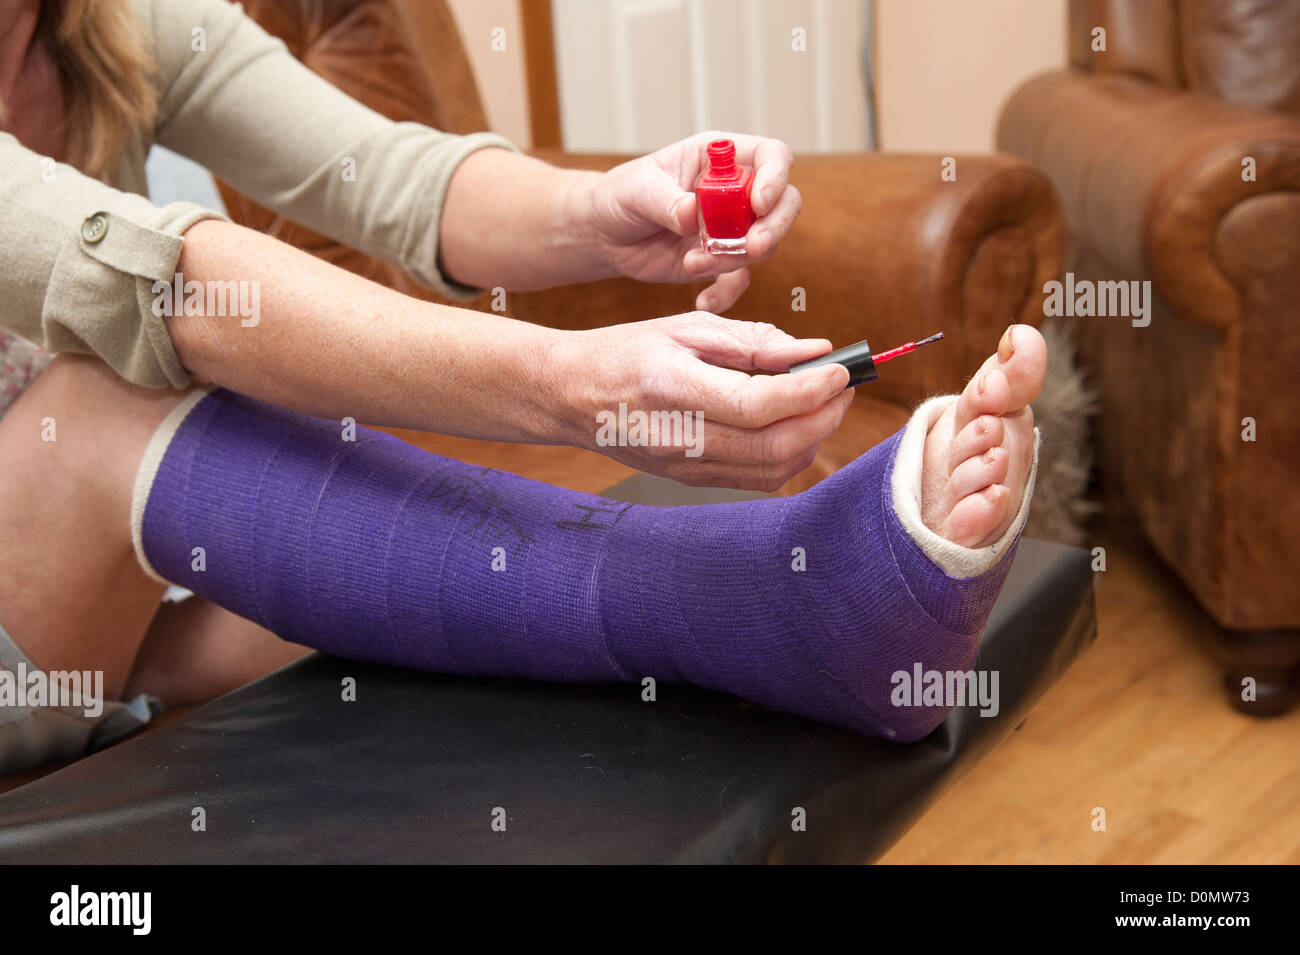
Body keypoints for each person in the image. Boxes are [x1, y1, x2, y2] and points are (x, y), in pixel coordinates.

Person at [0, 0, 1042, 773]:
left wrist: (603, 209)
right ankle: (776, 599)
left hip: (88, 602)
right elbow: (156, 285)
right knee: (113, 400)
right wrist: (568, 384)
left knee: (332, 506)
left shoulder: (115, 25)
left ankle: (778, 619)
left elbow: (393, 175)